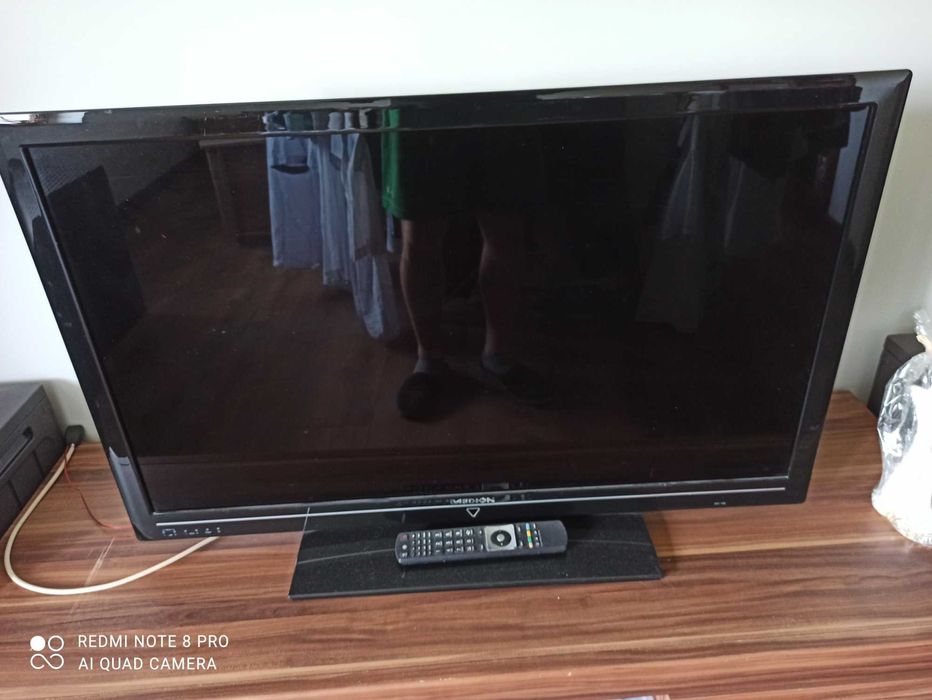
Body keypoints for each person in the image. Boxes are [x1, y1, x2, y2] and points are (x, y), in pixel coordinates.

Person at [381, 118, 551, 420]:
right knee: (420, 239)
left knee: (505, 232)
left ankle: (497, 355)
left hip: (500, 104)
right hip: (420, 105)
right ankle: (429, 358)